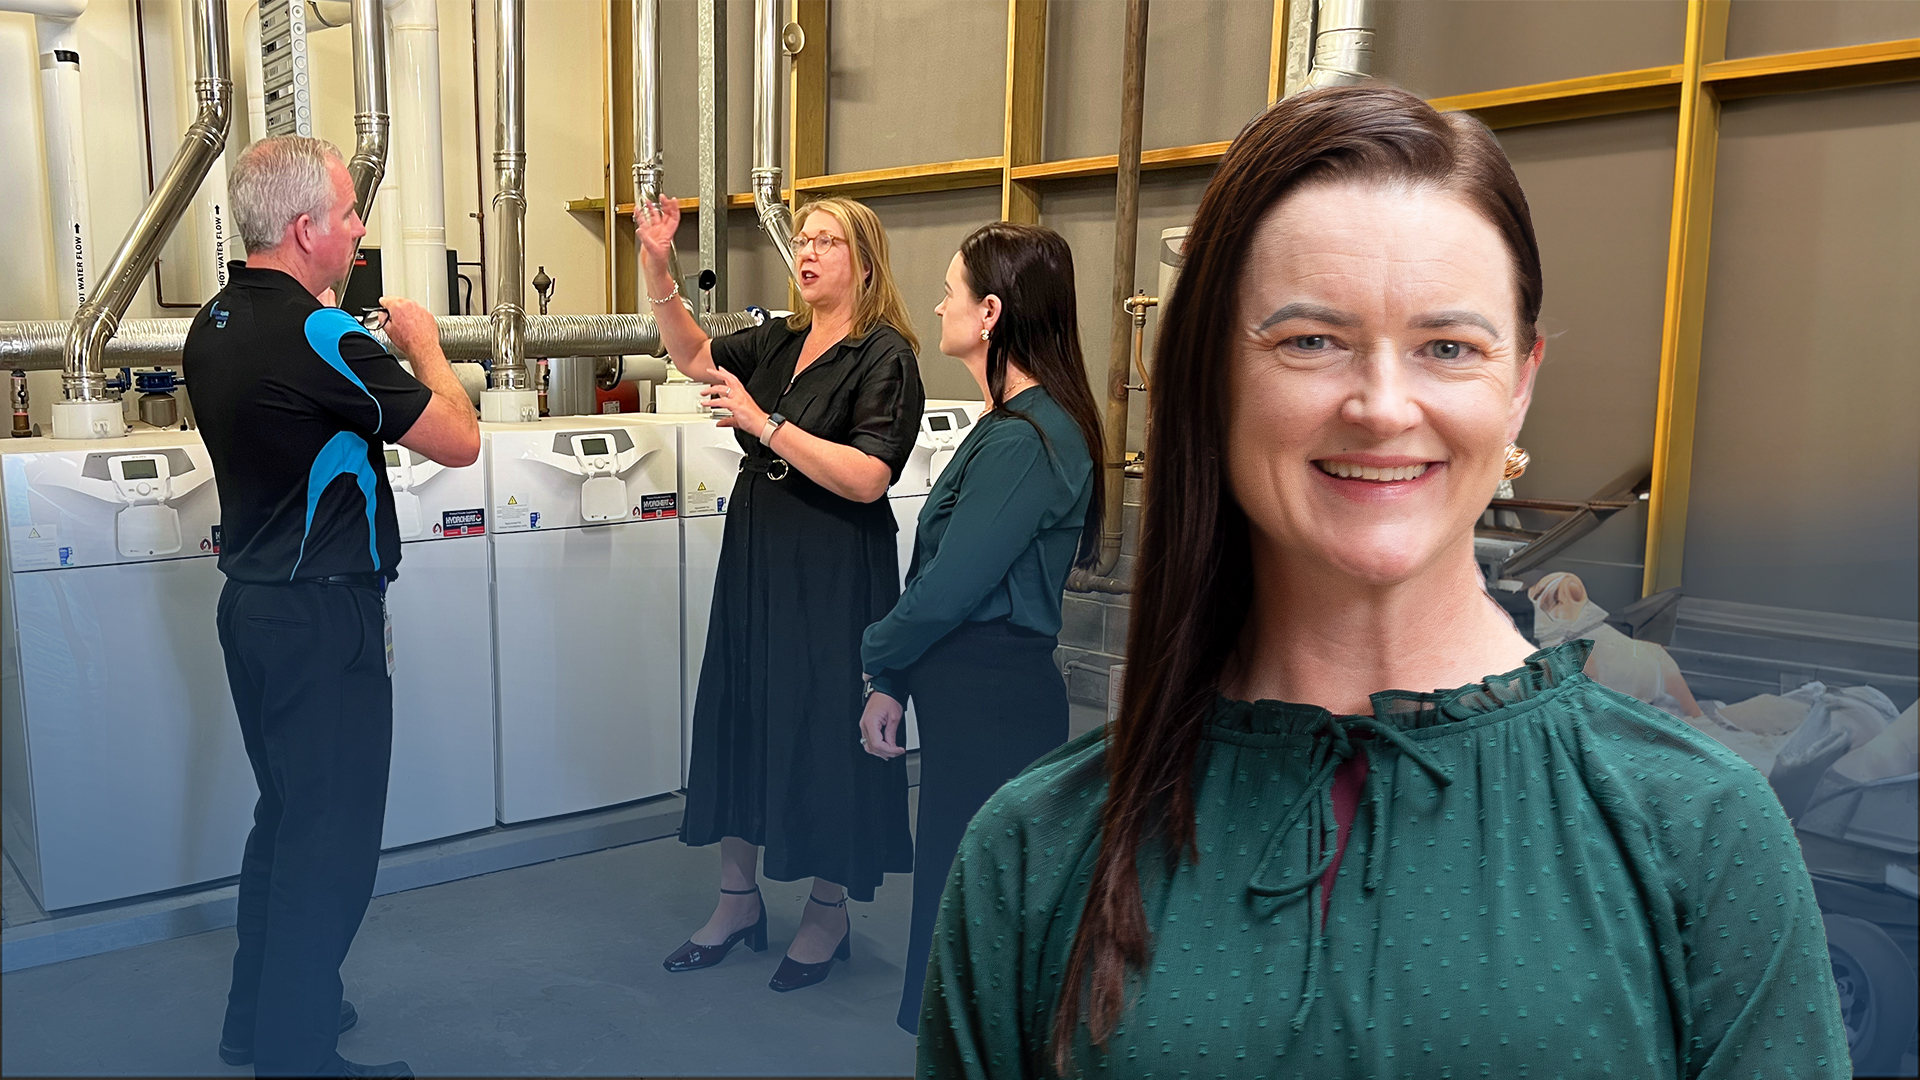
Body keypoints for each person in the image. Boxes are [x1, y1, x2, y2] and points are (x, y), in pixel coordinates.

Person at [916, 86, 1848, 1077]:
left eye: (1449, 347)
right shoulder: (1036, 850)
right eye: (1310, 340)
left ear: (1520, 382)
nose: (1383, 406)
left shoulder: (1701, 832)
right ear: (1211, 375)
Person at [182, 136, 478, 1078]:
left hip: (254, 614)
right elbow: (458, 441)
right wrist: (426, 347)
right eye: (350, 213)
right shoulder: (321, 336)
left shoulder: (215, 320)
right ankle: (297, 1055)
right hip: (323, 621)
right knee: (333, 846)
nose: (359, 230)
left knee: (285, 823)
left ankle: (258, 1022)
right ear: (305, 227)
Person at [636, 194, 924, 991]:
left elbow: (868, 477)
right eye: (802, 238)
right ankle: (738, 900)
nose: (808, 251)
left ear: (863, 260)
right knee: (745, 707)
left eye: (826, 241)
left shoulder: (884, 355)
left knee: (823, 722)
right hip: (760, 549)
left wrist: (764, 425)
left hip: (833, 565)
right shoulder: (780, 337)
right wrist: (658, 264)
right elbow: (694, 356)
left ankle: (828, 911)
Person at [855, 223, 1101, 1033]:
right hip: (967, 690)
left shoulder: (1030, 438)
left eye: (951, 291)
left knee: (983, 898)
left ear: (990, 312)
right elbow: (940, 577)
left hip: (995, 695)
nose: (936, 305)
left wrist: (874, 656)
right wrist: (895, 679)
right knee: (962, 889)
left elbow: (950, 589)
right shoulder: (1004, 427)